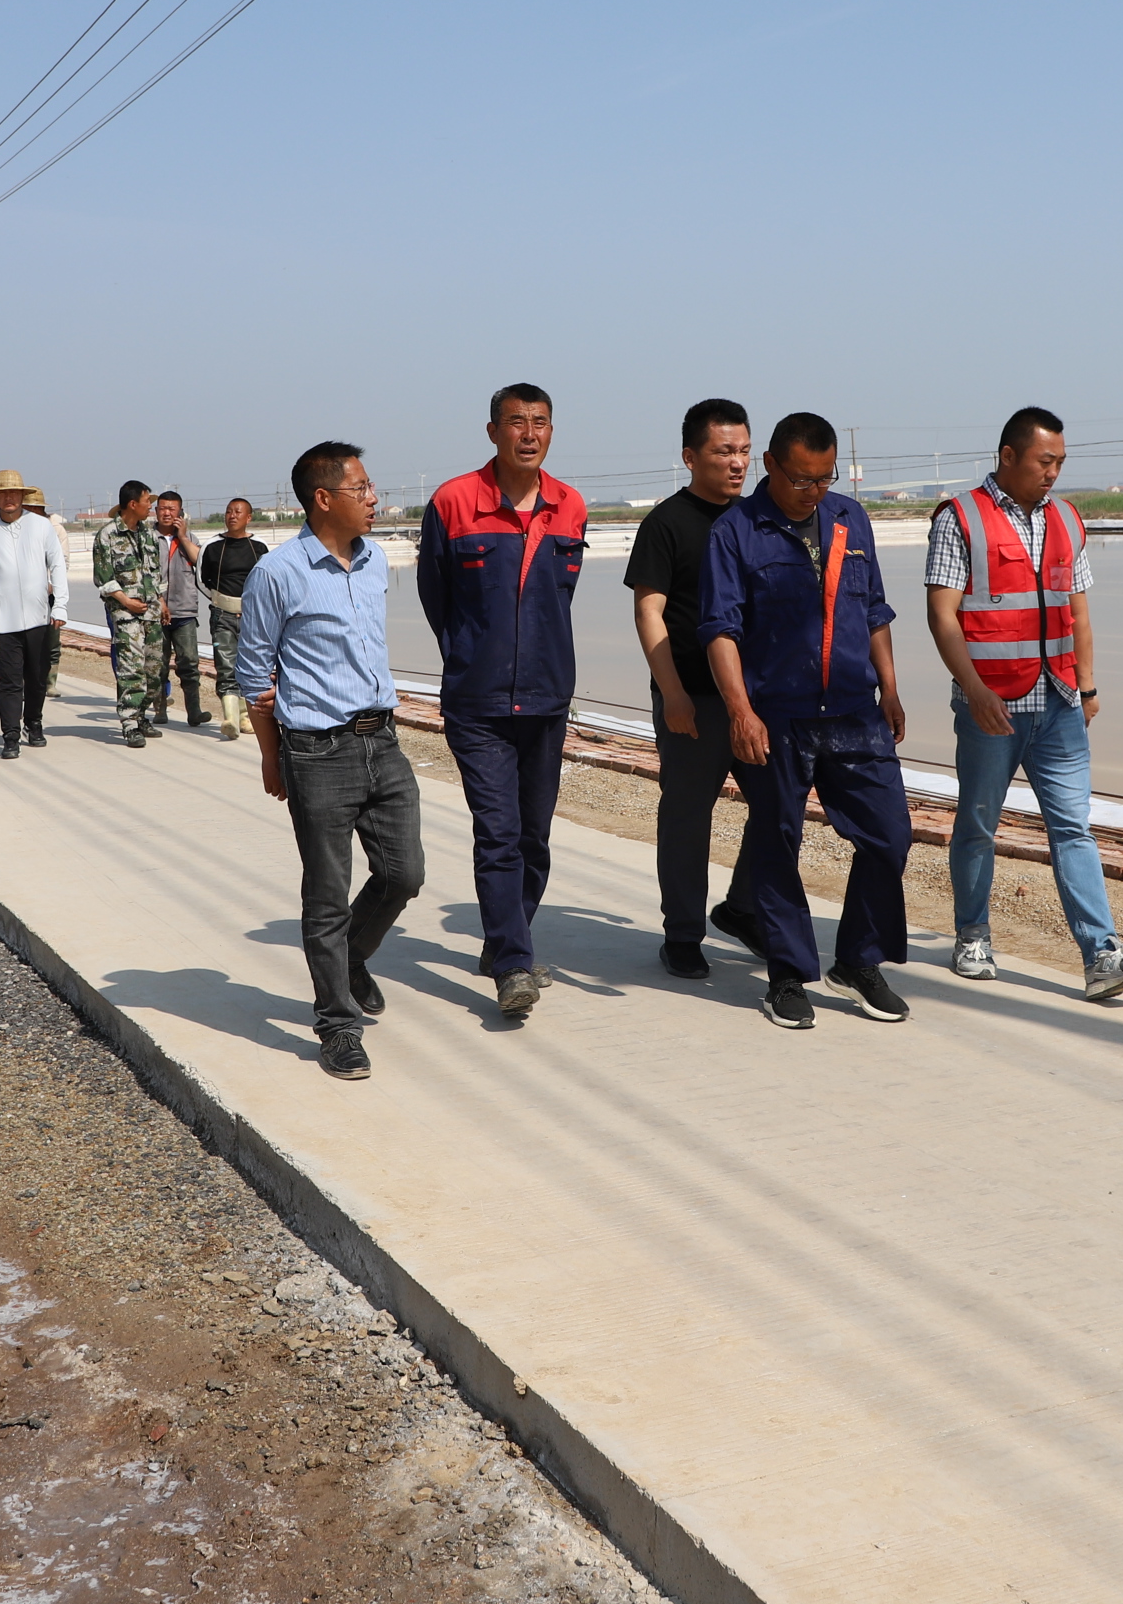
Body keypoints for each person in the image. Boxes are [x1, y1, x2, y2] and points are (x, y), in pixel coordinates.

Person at [926, 407, 1123, 1000]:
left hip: (1059, 703)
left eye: (1060, 462)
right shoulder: (960, 519)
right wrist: (974, 690)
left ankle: (1102, 954)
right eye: (1044, 461)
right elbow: (942, 616)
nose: (1053, 472)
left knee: (1073, 828)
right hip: (991, 707)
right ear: (1008, 456)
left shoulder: (1067, 519)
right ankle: (972, 937)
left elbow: (1077, 612)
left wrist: (1088, 687)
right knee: (978, 824)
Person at [698, 413, 913, 1031]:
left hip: (854, 711)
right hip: (778, 716)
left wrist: (890, 688)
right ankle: (787, 975)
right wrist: (740, 712)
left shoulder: (851, 518)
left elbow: (874, 611)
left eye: (823, 478)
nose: (812, 491)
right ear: (770, 465)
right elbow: (720, 630)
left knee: (889, 836)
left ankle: (859, 961)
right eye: (800, 479)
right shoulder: (736, 531)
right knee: (777, 843)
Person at [235, 442, 420, 1081]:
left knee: (404, 874)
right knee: (326, 894)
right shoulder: (278, 573)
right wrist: (271, 758)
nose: (374, 498)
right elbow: (254, 675)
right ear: (323, 498)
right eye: (361, 488)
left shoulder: (373, 560)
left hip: (383, 741)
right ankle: (337, 1025)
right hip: (317, 751)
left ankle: (352, 958)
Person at [416, 383, 586, 1022]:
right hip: (477, 701)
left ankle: (503, 940)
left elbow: (558, 601)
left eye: (540, 422)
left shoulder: (570, 506)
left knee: (535, 837)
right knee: (498, 834)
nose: (529, 434)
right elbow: (435, 595)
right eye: (516, 422)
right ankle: (514, 964)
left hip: (547, 698)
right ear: (493, 431)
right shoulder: (454, 501)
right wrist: (471, 653)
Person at [623, 397, 761, 979]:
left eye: (745, 451)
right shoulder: (666, 524)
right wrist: (673, 693)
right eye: (724, 451)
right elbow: (649, 612)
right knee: (686, 820)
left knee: (777, 808)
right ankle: (682, 934)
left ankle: (743, 907)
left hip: (756, 700)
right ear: (690, 456)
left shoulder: (757, 518)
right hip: (694, 701)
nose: (737, 463)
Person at [0, 469, 68, 757]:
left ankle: (33, 722)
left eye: (14, 493)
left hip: (38, 617)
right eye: (3, 493)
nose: (8, 498)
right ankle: (10, 735)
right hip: (3, 620)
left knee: (37, 676)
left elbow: (57, 565)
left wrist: (60, 604)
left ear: (23, 496)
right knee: (9, 680)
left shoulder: (41, 526)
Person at [92, 480, 167, 749]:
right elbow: (104, 579)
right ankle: (130, 723)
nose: (151, 507)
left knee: (154, 670)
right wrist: (127, 602)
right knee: (131, 670)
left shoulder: (148, 534)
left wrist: (161, 602)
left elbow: (155, 573)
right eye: (147, 502)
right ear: (133, 504)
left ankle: (142, 715)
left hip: (152, 613)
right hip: (126, 616)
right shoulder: (107, 535)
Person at [198, 498, 267, 745]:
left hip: (253, 616)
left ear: (248, 517)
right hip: (222, 614)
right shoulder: (212, 546)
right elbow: (202, 580)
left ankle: (247, 717)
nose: (232, 516)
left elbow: (267, 581)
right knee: (226, 665)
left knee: (251, 666)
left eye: (238, 512)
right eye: (228, 511)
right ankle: (230, 719)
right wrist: (220, 601)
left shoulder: (259, 547)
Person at [150, 491, 211, 730]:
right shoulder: (147, 538)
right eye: (163, 508)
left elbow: (200, 562)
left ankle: (194, 711)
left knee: (189, 662)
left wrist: (183, 536)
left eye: (172, 509)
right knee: (158, 663)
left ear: (180, 512)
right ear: (155, 511)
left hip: (184, 611)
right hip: (154, 612)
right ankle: (160, 709)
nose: (167, 513)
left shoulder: (190, 538)